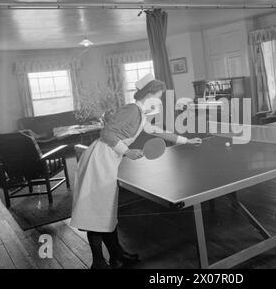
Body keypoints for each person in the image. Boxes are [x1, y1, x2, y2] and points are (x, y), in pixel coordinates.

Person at [70, 73, 202, 269]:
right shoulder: (132, 109)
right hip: (100, 160)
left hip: (109, 159)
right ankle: (98, 262)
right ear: (148, 95)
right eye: (157, 96)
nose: (158, 101)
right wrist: (127, 151)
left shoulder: (140, 114)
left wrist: (186, 140)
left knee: (106, 211)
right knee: (96, 212)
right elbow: (106, 133)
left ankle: (117, 255)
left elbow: (157, 131)